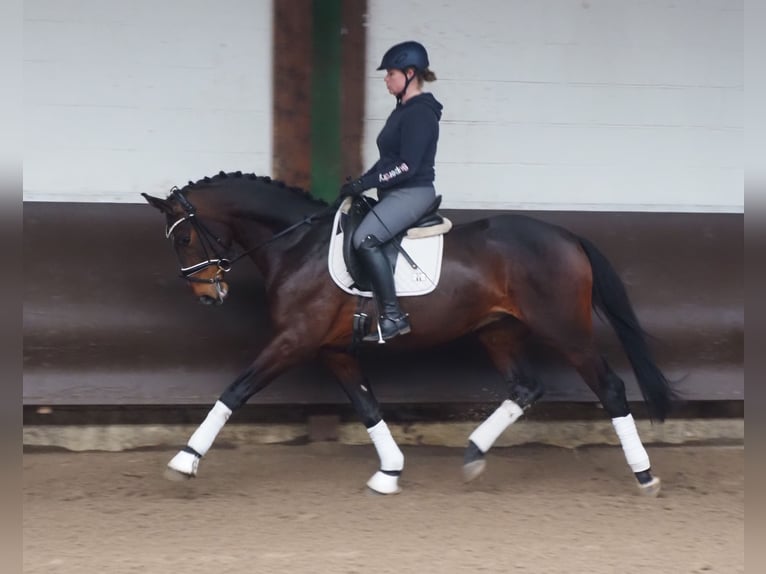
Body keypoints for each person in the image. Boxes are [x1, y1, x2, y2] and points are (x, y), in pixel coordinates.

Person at [340, 40, 443, 343]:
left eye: (391, 74)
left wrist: (368, 184)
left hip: (413, 191)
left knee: (365, 239)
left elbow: (407, 166)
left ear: (410, 73)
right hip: (396, 191)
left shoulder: (419, 113)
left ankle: (393, 316)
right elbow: (388, 161)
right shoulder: (402, 110)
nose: (386, 79)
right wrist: (359, 182)